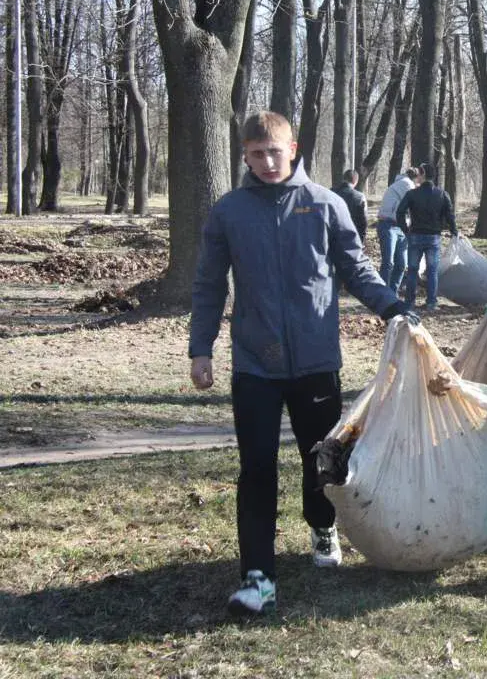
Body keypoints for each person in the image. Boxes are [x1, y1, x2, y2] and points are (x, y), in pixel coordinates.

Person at [189, 111, 405, 616]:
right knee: (257, 468)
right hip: (254, 366)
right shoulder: (228, 213)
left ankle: (322, 524)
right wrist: (201, 348)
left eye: (275, 151)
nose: (267, 162)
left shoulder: (325, 205)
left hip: (315, 362)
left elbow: (356, 269)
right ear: (244, 154)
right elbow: (208, 285)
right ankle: (257, 575)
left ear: (294, 148)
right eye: (256, 153)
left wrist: (393, 308)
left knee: (322, 461)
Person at [396, 162, 458, 311]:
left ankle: (409, 302)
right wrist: (454, 231)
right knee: (432, 271)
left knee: (412, 270)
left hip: (415, 235)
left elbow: (399, 212)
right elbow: (450, 216)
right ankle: (431, 302)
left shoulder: (412, 194)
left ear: (422, 174)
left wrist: (406, 230)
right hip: (434, 237)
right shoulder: (442, 194)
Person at [377, 167, 420, 292]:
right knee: (388, 262)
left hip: (400, 227)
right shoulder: (406, 184)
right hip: (388, 224)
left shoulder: (404, 183)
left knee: (401, 264)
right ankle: (382, 293)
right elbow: (415, 204)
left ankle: (392, 292)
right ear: (416, 178)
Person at [332, 169, 368, 242]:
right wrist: (361, 239)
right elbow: (363, 220)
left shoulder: (330, 192)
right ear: (355, 181)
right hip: (351, 236)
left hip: (332, 235)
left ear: (343, 179)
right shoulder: (360, 197)